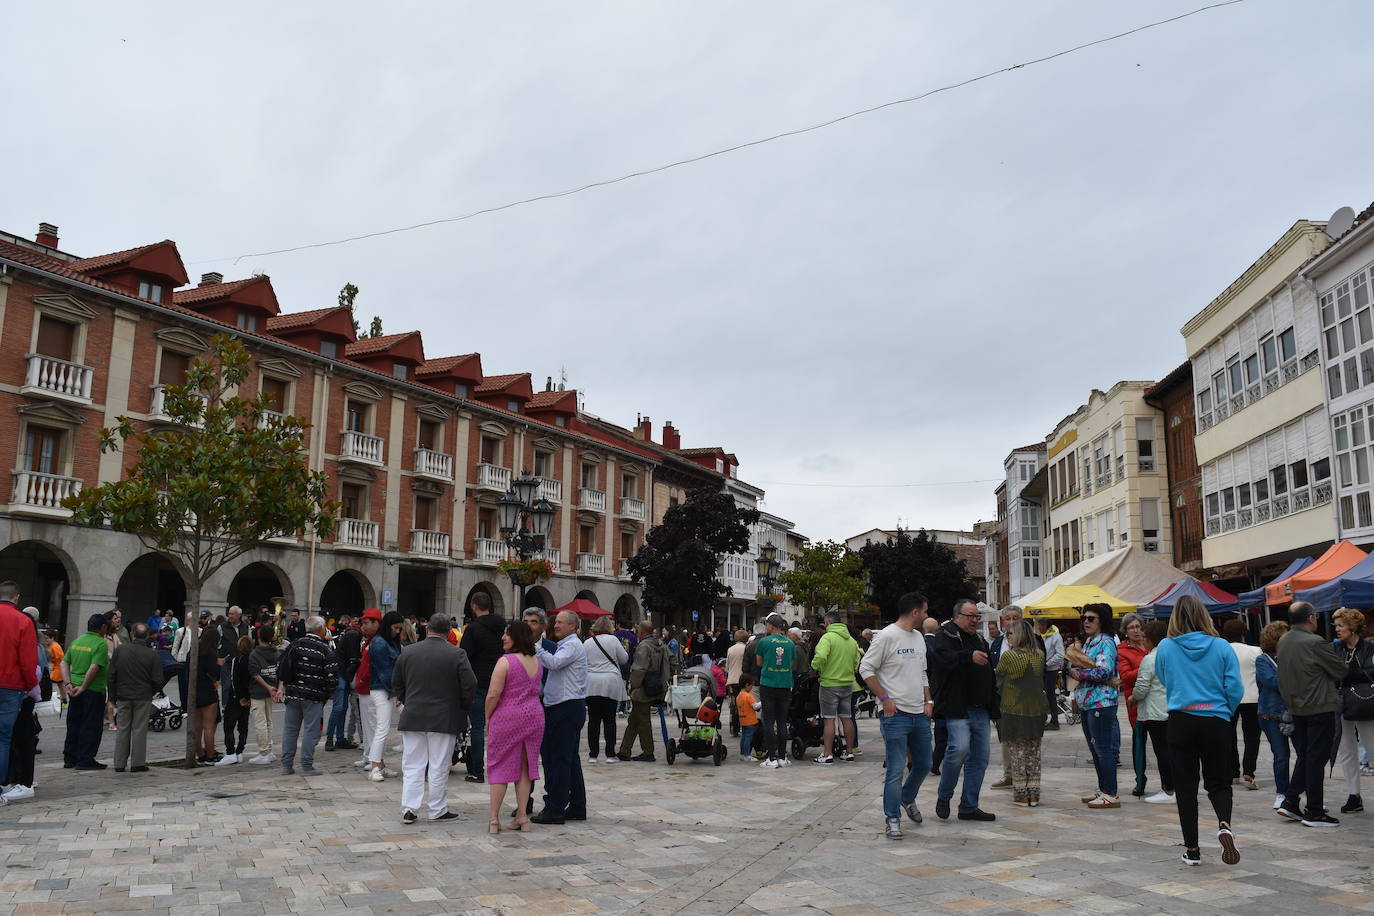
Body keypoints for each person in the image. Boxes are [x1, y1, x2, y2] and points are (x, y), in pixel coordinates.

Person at [1154, 594, 1244, 867]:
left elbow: (1163, 677)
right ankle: (1224, 824)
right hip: (1215, 719)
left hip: (1181, 719)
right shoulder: (1222, 647)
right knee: (1219, 781)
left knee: (1186, 787)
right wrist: (1223, 710)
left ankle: (1192, 850)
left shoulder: (1166, 647)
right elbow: (1235, 688)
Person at [859, 591, 934, 840]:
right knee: (895, 768)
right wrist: (884, 699)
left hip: (919, 713)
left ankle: (906, 797)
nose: (926, 615)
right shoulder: (887, 637)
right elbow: (866, 668)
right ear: (915, 612)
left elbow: (922, 672)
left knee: (924, 763)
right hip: (895, 714)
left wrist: (928, 700)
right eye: (924, 611)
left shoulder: (919, 638)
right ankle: (892, 817)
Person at [392, 613, 477, 824]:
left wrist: (405, 700)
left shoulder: (408, 652)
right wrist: (462, 707)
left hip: (413, 715)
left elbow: (397, 682)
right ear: (449, 632)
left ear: (427, 628)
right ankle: (437, 809)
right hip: (444, 717)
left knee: (412, 764)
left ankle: (409, 808)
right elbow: (470, 683)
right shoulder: (456, 654)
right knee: (439, 764)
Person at [1276, 601, 1348, 827]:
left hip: (1297, 707)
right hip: (1318, 706)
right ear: (1311, 617)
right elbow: (1340, 670)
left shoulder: (1284, 639)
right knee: (1317, 759)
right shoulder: (1315, 642)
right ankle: (1314, 811)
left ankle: (1291, 801)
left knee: (1307, 756)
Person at [929, 598, 996, 822]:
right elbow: (942, 661)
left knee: (980, 758)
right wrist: (968, 657)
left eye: (977, 617)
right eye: (970, 616)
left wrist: (993, 704)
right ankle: (944, 795)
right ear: (957, 616)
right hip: (957, 707)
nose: (974, 620)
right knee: (958, 749)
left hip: (980, 708)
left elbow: (989, 673)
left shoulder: (979, 638)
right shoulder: (945, 636)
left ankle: (969, 805)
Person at [485, 620, 545, 833]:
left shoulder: (506, 661)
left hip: (508, 716)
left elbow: (494, 693)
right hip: (534, 716)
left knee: (499, 765)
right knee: (525, 769)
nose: (503, 637)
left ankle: (493, 819)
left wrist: (487, 717)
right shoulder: (536, 661)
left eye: (507, 634)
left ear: (517, 637)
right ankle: (522, 816)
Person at [532, 610, 590, 825]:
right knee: (569, 759)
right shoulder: (567, 644)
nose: (556, 625)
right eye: (556, 622)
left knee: (559, 759)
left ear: (574, 627)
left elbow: (554, 663)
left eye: (561, 623)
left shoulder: (572, 645)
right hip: (565, 706)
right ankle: (576, 805)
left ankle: (555, 807)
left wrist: (536, 647)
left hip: (565, 707)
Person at [1065, 602, 1120, 809]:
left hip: (1101, 702)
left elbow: (1104, 672)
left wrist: (1079, 673)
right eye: (1084, 618)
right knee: (1095, 748)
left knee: (1103, 749)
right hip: (1088, 702)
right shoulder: (1089, 642)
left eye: (1091, 618)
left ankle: (1111, 793)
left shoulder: (1105, 642)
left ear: (1102, 621)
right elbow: (1073, 664)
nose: (1086, 622)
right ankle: (1103, 788)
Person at [996, 619, 1047, 808]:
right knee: (1033, 751)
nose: (1008, 637)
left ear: (1017, 635)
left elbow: (999, 675)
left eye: (1010, 633)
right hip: (1037, 709)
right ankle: (1034, 794)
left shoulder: (1009, 656)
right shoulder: (1039, 655)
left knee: (1017, 752)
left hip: (1014, 708)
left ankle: (1021, 794)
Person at [277, 615, 337, 775]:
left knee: (290, 729)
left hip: (293, 694)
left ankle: (286, 765)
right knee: (311, 730)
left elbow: (282, 668)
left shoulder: (295, 645)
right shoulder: (325, 648)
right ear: (320, 629)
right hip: (314, 695)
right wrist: (328, 693)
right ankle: (306, 765)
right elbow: (332, 676)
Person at [1127, 620, 1175, 805]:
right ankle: (1174, 786)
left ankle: (1169, 789)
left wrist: (1132, 698)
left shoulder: (1150, 659)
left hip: (1155, 711)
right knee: (1171, 751)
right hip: (1171, 708)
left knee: (1162, 751)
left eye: (1145, 637)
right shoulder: (1171, 656)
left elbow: (1141, 687)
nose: (1142, 639)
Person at [461, 591, 506, 785]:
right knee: (499, 728)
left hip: (479, 682)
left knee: (478, 726)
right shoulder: (503, 626)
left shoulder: (473, 629)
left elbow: (464, 657)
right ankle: (501, 769)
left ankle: (477, 771)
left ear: (473, 606)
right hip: (501, 680)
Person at [1333, 607, 1374, 814]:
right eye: (1336, 625)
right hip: (1342, 703)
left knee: (1372, 747)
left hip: (1365, 703)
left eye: (1341, 625)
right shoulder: (1336, 648)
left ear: (1353, 626)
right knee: (1347, 751)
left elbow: (1370, 673)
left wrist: (1346, 672)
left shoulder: (1369, 648)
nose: (1337, 629)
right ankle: (1354, 795)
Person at [0, 582, 39, 798]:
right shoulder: (23, 621)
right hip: (11, 686)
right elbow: (27, 660)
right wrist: (29, 684)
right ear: (16, 598)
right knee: (3, 737)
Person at [107, 622, 162, 773]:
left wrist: (112, 696)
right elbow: (158, 679)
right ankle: (137, 763)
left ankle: (119, 763)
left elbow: (111, 675)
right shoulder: (152, 654)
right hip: (143, 695)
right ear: (147, 637)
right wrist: (150, 692)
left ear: (132, 634)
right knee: (139, 729)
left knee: (123, 728)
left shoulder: (120, 650)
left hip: (123, 695)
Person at [812, 608, 861, 764]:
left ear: (829, 622)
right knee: (847, 718)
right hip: (847, 683)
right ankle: (849, 751)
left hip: (829, 683)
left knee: (829, 719)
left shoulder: (828, 638)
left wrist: (815, 666)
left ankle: (827, 754)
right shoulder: (852, 640)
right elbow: (856, 660)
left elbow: (820, 656)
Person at [63, 614, 112, 770]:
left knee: (74, 723)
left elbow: (64, 663)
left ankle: (70, 758)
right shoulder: (101, 644)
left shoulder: (77, 641)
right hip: (92, 690)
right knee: (91, 725)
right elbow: (94, 667)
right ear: (103, 628)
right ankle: (85, 759)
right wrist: (84, 687)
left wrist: (68, 683)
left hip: (74, 689)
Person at [617, 621, 670, 761]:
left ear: (641, 632)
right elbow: (671, 661)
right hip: (655, 685)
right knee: (634, 719)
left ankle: (648, 752)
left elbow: (639, 668)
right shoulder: (659, 645)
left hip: (642, 688)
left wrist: (633, 685)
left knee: (643, 720)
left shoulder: (644, 646)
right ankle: (624, 750)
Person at [1255, 620, 1294, 812]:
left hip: (1295, 713)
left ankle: (1300, 794)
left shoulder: (1293, 656)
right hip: (1271, 714)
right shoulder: (1263, 660)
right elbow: (1272, 682)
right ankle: (1282, 793)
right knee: (1281, 755)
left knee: (1304, 754)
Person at [1221, 618, 1262, 792]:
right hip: (1253, 697)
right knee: (1252, 737)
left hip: (1229, 698)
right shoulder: (1256, 650)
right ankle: (1249, 771)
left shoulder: (1222, 650)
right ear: (1244, 633)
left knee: (1229, 736)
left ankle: (1233, 772)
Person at [331, 608, 377, 752]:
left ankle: (342, 738)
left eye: (365, 623)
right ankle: (337, 739)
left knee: (346, 710)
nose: (364, 627)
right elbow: (353, 658)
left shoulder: (353, 633)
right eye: (363, 623)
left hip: (345, 676)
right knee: (342, 709)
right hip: (346, 676)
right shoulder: (354, 634)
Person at [583, 615, 628, 764]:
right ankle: (610, 754)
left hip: (592, 682)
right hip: (610, 681)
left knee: (593, 720)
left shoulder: (587, 642)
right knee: (609, 719)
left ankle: (593, 754)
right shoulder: (613, 640)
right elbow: (624, 659)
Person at [365, 612, 404, 782]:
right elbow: (385, 672)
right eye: (396, 628)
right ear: (388, 626)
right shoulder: (380, 643)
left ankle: (379, 764)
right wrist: (398, 692)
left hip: (386, 689)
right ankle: (374, 766)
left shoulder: (387, 642)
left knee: (383, 728)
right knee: (382, 728)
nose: (398, 631)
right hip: (382, 688)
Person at [755, 614, 796, 770]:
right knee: (782, 721)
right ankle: (782, 757)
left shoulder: (764, 642)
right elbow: (791, 664)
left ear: (771, 626)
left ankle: (771, 758)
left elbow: (759, 662)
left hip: (768, 684)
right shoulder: (790, 643)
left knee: (768, 721)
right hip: (785, 684)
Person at [1116, 612, 1150, 798]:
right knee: (1139, 743)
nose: (1136, 630)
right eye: (1132, 628)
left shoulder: (1151, 644)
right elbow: (1125, 677)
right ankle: (1139, 780)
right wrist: (1147, 665)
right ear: (1125, 631)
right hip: (1135, 702)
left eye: (1138, 626)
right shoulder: (1122, 650)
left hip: (1157, 701)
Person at [214, 635, 253, 766]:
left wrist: (240, 697)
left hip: (236, 697)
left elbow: (235, 680)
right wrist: (248, 698)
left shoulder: (237, 661)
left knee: (229, 725)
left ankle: (230, 752)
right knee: (243, 726)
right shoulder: (252, 660)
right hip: (248, 698)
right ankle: (240, 751)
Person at [247, 624, 281, 765]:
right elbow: (279, 671)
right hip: (272, 689)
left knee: (260, 722)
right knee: (268, 722)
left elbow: (254, 673)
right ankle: (270, 750)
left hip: (259, 691)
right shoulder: (276, 652)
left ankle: (264, 752)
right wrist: (276, 688)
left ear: (259, 637)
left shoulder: (255, 654)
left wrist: (267, 687)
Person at [193, 614, 223, 764]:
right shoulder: (211, 653)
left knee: (197, 727)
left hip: (195, 690)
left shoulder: (193, 651)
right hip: (207, 690)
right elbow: (214, 674)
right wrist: (219, 664)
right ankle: (210, 755)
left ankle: (200, 754)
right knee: (209, 726)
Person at [1037, 620, 1064, 731]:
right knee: (1042, 695)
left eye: (1040, 626)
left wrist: (1047, 664)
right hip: (1042, 670)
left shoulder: (1056, 637)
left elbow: (1060, 654)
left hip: (1050, 670)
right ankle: (1044, 718)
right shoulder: (1043, 636)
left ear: (1045, 626)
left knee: (1050, 696)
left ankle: (1055, 721)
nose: (1038, 628)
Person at [726, 630, 748, 736]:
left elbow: (727, 666)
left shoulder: (730, 649)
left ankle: (734, 728)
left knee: (734, 705)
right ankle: (744, 726)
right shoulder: (746, 648)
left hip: (732, 679)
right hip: (743, 679)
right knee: (744, 704)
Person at [736, 674, 760, 760]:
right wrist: (763, 702)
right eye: (751, 686)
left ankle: (742, 754)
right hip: (750, 720)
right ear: (747, 685)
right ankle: (747, 755)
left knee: (743, 737)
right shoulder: (748, 696)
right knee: (748, 738)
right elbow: (756, 706)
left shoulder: (739, 696)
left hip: (742, 719)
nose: (752, 688)